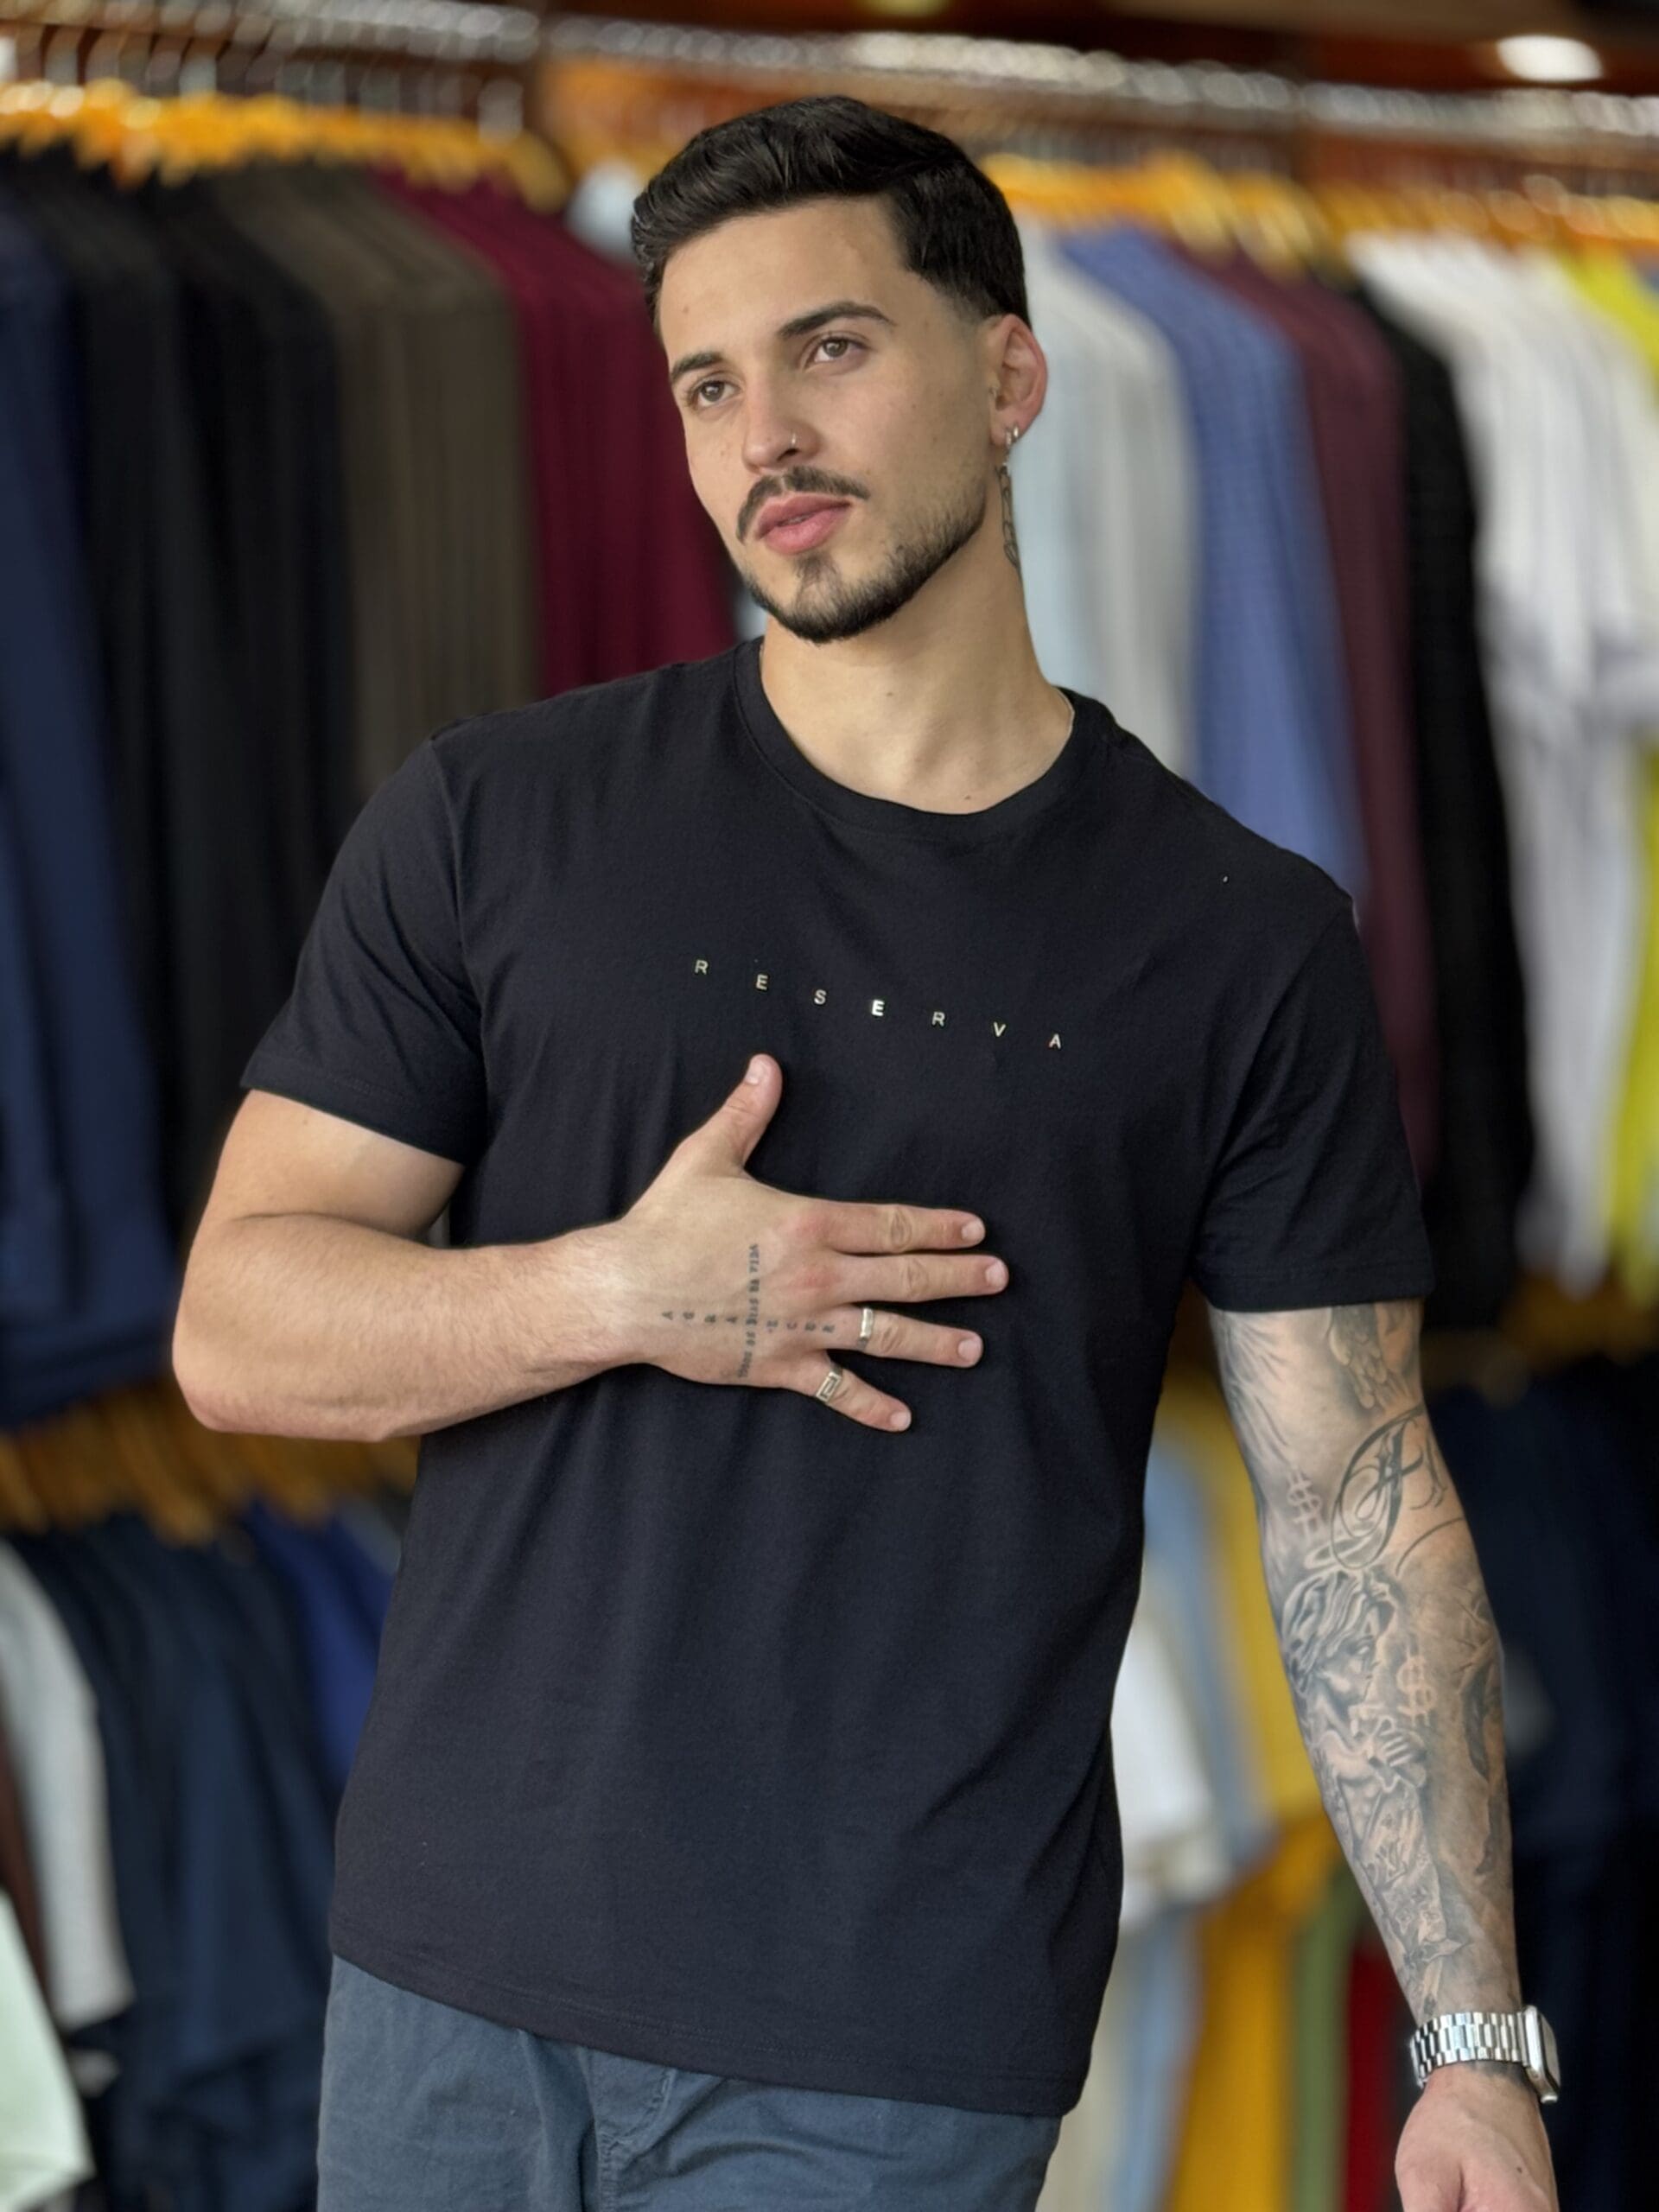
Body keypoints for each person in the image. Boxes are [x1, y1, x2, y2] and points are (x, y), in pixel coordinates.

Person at [172, 92, 1559, 2212]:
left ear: (1009, 375)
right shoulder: (497, 818)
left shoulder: (1236, 940)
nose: (767, 436)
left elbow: (1355, 1491)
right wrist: (618, 1289)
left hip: (890, 2050)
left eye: (830, 348)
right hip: (448, 1988)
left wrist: (1471, 2043)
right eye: (708, 384)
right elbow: (238, 1330)